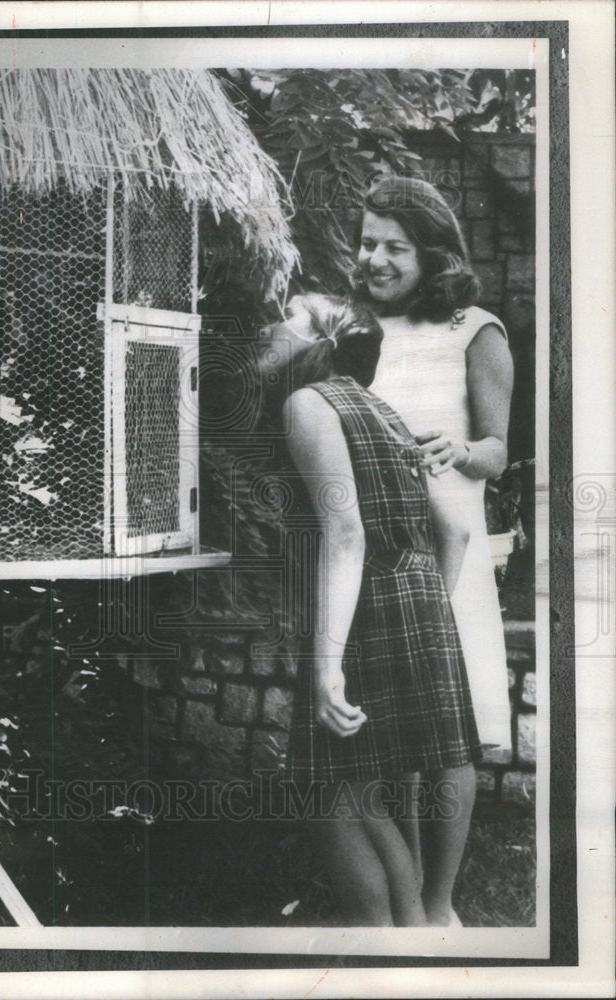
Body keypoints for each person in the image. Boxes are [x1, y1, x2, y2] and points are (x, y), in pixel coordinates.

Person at [259, 292, 482, 927]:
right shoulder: (380, 407)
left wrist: (329, 665)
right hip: (417, 599)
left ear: (320, 342)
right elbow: (455, 532)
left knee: (331, 790)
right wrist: (426, 609)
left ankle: (381, 939)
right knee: (357, 788)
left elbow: (346, 534)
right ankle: (418, 928)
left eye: (293, 315)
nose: (274, 321)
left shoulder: (307, 403)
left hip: (361, 606)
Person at [353, 176, 514, 757]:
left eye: (396, 248)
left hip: (451, 544)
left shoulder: (473, 328)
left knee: (448, 733)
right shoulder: (355, 327)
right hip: (370, 546)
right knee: (379, 737)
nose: (375, 259)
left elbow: (497, 450)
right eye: (369, 243)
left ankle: (439, 855)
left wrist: (460, 450)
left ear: (433, 252)